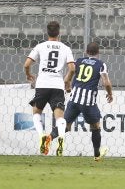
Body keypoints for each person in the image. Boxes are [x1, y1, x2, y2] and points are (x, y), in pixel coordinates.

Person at [54, 42, 113, 161]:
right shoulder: (101, 64)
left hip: (74, 100)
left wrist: (68, 87)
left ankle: (49, 137)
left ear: (86, 52)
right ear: (98, 53)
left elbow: (67, 78)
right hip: (88, 103)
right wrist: (110, 93)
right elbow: (106, 82)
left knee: (65, 125)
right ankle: (97, 155)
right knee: (95, 127)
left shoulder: (79, 61)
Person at [24, 21, 75, 156]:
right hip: (57, 86)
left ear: (47, 32)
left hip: (42, 85)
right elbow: (72, 68)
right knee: (59, 117)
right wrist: (68, 81)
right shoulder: (65, 48)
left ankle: (42, 136)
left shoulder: (41, 46)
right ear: (59, 33)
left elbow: (26, 64)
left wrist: (28, 74)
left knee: (36, 113)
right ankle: (61, 140)